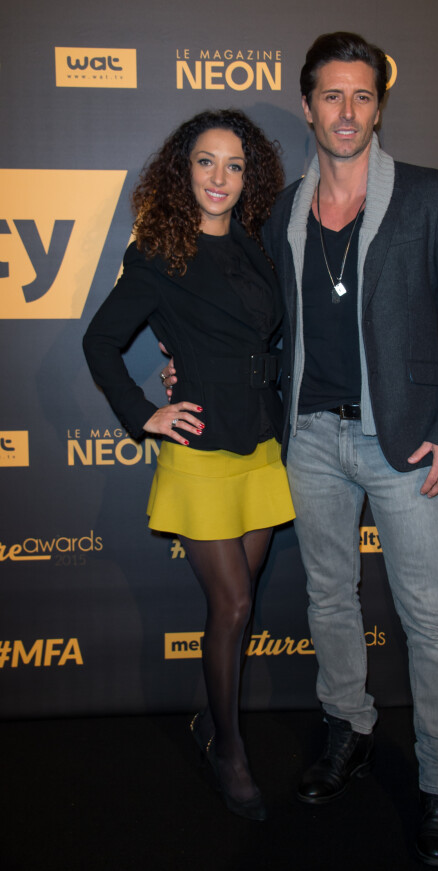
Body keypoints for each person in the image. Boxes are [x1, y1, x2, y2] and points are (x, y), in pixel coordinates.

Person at [163, 32, 438, 866]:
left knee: (427, 615)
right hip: (306, 437)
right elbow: (250, 320)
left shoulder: (429, 195)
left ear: (378, 106)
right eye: (331, 97)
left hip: (407, 442)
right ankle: (347, 729)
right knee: (329, 599)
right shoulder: (279, 212)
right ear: (308, 106)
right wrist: (185, 363)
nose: (346, 112)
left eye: (362, 96)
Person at [83, 109, 295, 822]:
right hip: (200, 450)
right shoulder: (158, 254)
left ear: (250, 176)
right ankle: (229, 751)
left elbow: (270, 337)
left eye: (234, 165)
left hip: (261, 443)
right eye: (206, 162)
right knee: (231, 604)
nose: (220, 178)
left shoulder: (261, 247)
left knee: (245, 601)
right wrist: (144, 410)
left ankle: (212, 718)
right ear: (184, 169)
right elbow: (100, 343)